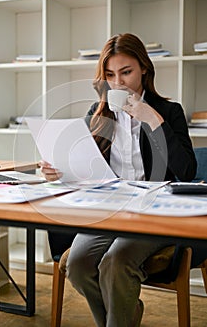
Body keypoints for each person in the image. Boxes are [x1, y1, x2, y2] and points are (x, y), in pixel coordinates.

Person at [40, 33, 197, 327]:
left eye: (126, 72)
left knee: (116, 262)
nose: (119, 83)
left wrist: (153, 120)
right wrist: (57, 171)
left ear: (144, 70)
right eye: (110, 75)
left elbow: (187, 170)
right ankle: (124, 317)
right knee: (76, 263)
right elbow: (83, 168)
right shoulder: (98, 115)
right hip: (109, 210)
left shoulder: (169, 112)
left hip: (154, 213)